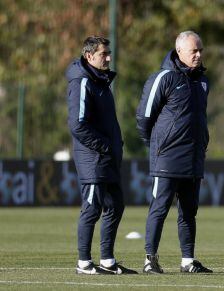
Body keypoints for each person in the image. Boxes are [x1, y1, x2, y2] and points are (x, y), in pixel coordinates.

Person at [136, 31, 212, 274]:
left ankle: (187, 260)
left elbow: (200, 118)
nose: (199, 55)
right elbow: (144, 117)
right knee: (160, 207)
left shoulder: (202, 82)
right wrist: (157, 146)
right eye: (194, 51)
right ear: (179, 52)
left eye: (200, 50)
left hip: (193, 157)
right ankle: (150, 259)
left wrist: (203, 143)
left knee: (189, 211)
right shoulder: (164, 78)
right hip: (167, 157)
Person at [66, 36, 136, 275]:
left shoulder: (100, 82)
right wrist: (105, 146)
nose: (108, 58)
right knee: (92, 209)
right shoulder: (83, 83)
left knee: (116, 205)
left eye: (109, 53)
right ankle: (84, 263)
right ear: (89, 56)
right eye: (103, 54)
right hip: (94, 159)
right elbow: (77, 125)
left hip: (107, 159)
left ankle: (107, 260)